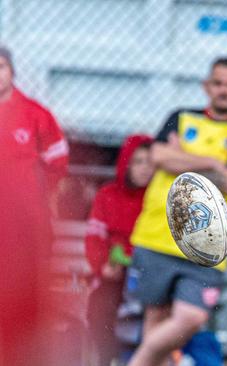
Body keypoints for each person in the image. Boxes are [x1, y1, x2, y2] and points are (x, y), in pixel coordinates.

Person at [127, 57, 227, 366]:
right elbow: (158, 156)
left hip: (205, 247)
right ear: (206, 86)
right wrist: (212, 163)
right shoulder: (181, 117)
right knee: (155, 319)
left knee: (191, 317)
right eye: (218, 83)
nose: (223, 90)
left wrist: (182, 158)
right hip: (157, 236)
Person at [0, 45, 69, 365]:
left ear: (11, 71)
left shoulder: (35, 114)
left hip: (25, 226)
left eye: (1, 66)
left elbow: (57, 164)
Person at [84, 134, 154, 366]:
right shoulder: (108, 195)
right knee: (100, 307)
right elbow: (94, 238)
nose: (145, 169)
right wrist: (102, 265)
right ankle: (108, 359)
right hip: (115, 274)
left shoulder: (158, 199)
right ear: (126, 163)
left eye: (150, 162)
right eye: (138, 162)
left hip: (148, 274)